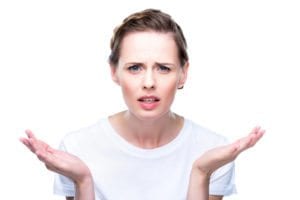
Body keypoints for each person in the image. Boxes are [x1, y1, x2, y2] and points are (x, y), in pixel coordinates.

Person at [20, 9, 265, 200]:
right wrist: (83, 180)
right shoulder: (77, 147)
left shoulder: (213, 151)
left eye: (163, 68)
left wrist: (201, 172)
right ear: (114, 72)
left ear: (182, 74)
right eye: (135, 68)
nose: (149, 82)